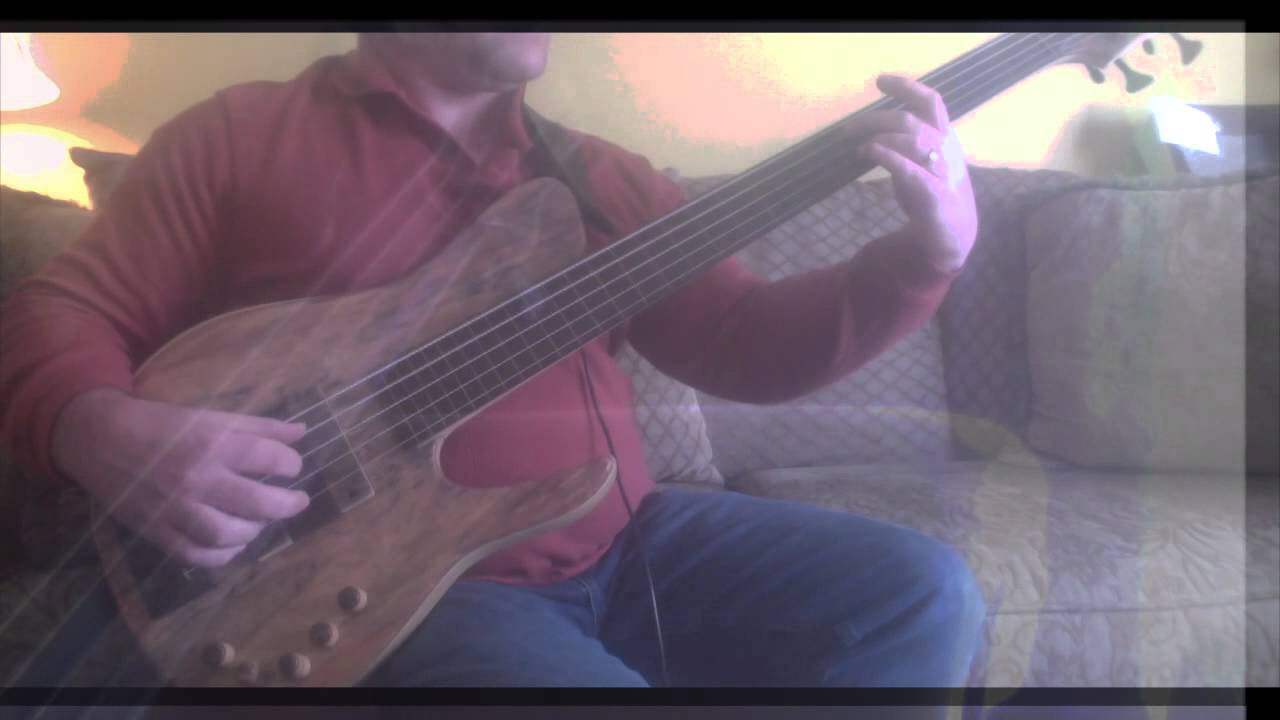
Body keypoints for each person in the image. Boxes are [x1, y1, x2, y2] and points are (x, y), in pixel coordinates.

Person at [0, 32, 986, 688]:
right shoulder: (239, 137)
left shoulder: (600, 177)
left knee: (918, 594)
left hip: (627, 544)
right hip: (414, 592)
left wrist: (924, 257)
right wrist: (101, 428)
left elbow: (744, 344)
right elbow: (61, 311)